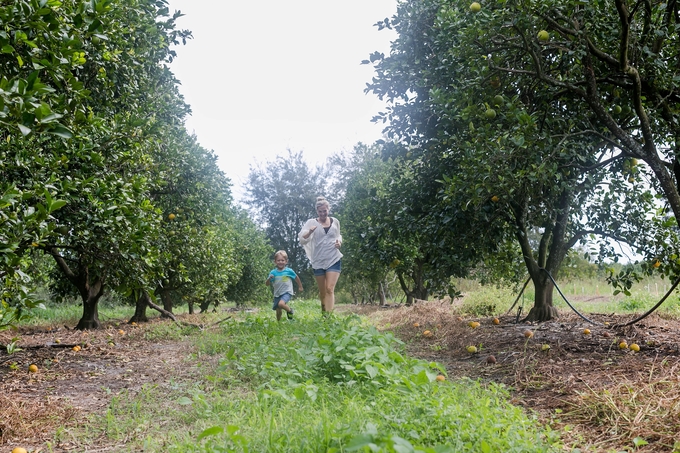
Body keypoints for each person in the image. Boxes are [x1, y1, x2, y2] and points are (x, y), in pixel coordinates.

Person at [299, 196, 342, 313]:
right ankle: (324, 312)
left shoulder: (335, 221)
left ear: (328, 209)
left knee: (329, 289)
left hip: (334, 258)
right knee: (323, 292)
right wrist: (310, 232)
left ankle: (329, 317)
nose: (323, 213)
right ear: (317, 211)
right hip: (318, 260)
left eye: (325, 211)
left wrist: (339, 242)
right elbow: (302, 239)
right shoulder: (311, 222)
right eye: (320, 211)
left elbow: (338, 235)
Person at [266, 250, 303, 321]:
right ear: (275, 262)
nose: (280, 262)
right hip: (277, 293)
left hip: (287, 292)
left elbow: (296, 277)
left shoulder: (289, 271)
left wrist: (300, 286)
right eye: (278, 260)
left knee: (281, 304)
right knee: (278, 310)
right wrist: (269, 279)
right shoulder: (273, 272)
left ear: (286, 261)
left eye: (282, 260)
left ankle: (290, 311)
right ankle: (278, 323)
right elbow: (267, 284)